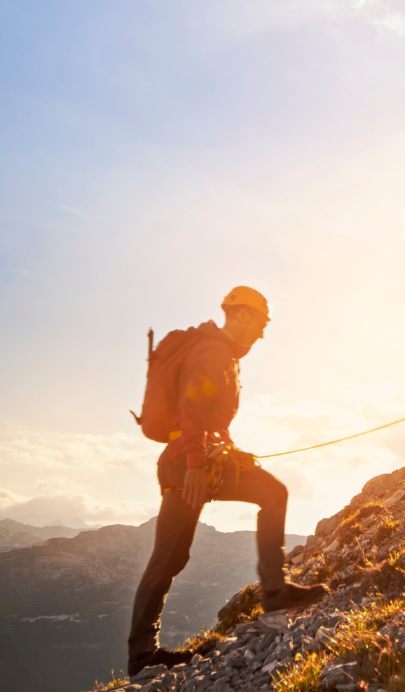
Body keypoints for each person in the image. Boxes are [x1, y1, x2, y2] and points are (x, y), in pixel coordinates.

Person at [127, 286, 327, 676]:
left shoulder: (221, 354)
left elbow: (208, 419)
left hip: (192, 460)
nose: (263, 332)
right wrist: (197, 467)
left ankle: (273, 592)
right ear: (239, 315)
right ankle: (142, 655)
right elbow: (191, 407)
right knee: (173, 554)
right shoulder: (213, 351)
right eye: (261, 322)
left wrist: (227, 450)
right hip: (188, 464)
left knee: (174, 555)